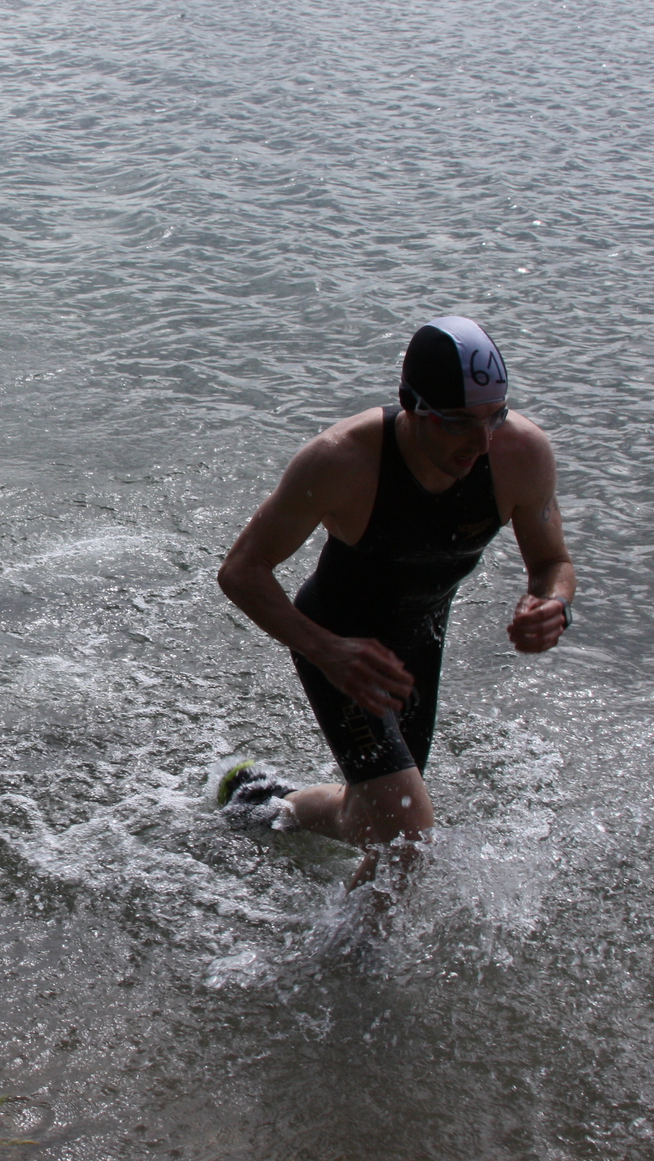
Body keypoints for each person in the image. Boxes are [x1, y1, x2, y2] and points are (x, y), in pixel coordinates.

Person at [213, 315, 576, 884]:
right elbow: (241, 571)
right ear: (412, 405)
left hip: (417, 647)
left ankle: (262, 802)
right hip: (338, 643)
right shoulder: (342, 459)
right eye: (458, 422)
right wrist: (328, 652)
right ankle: (334, 947)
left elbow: (553, 564)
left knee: (373, 821)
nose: (481, 442)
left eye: (495, 416)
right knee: (409, 839)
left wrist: (553, 605)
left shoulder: (520, 454)